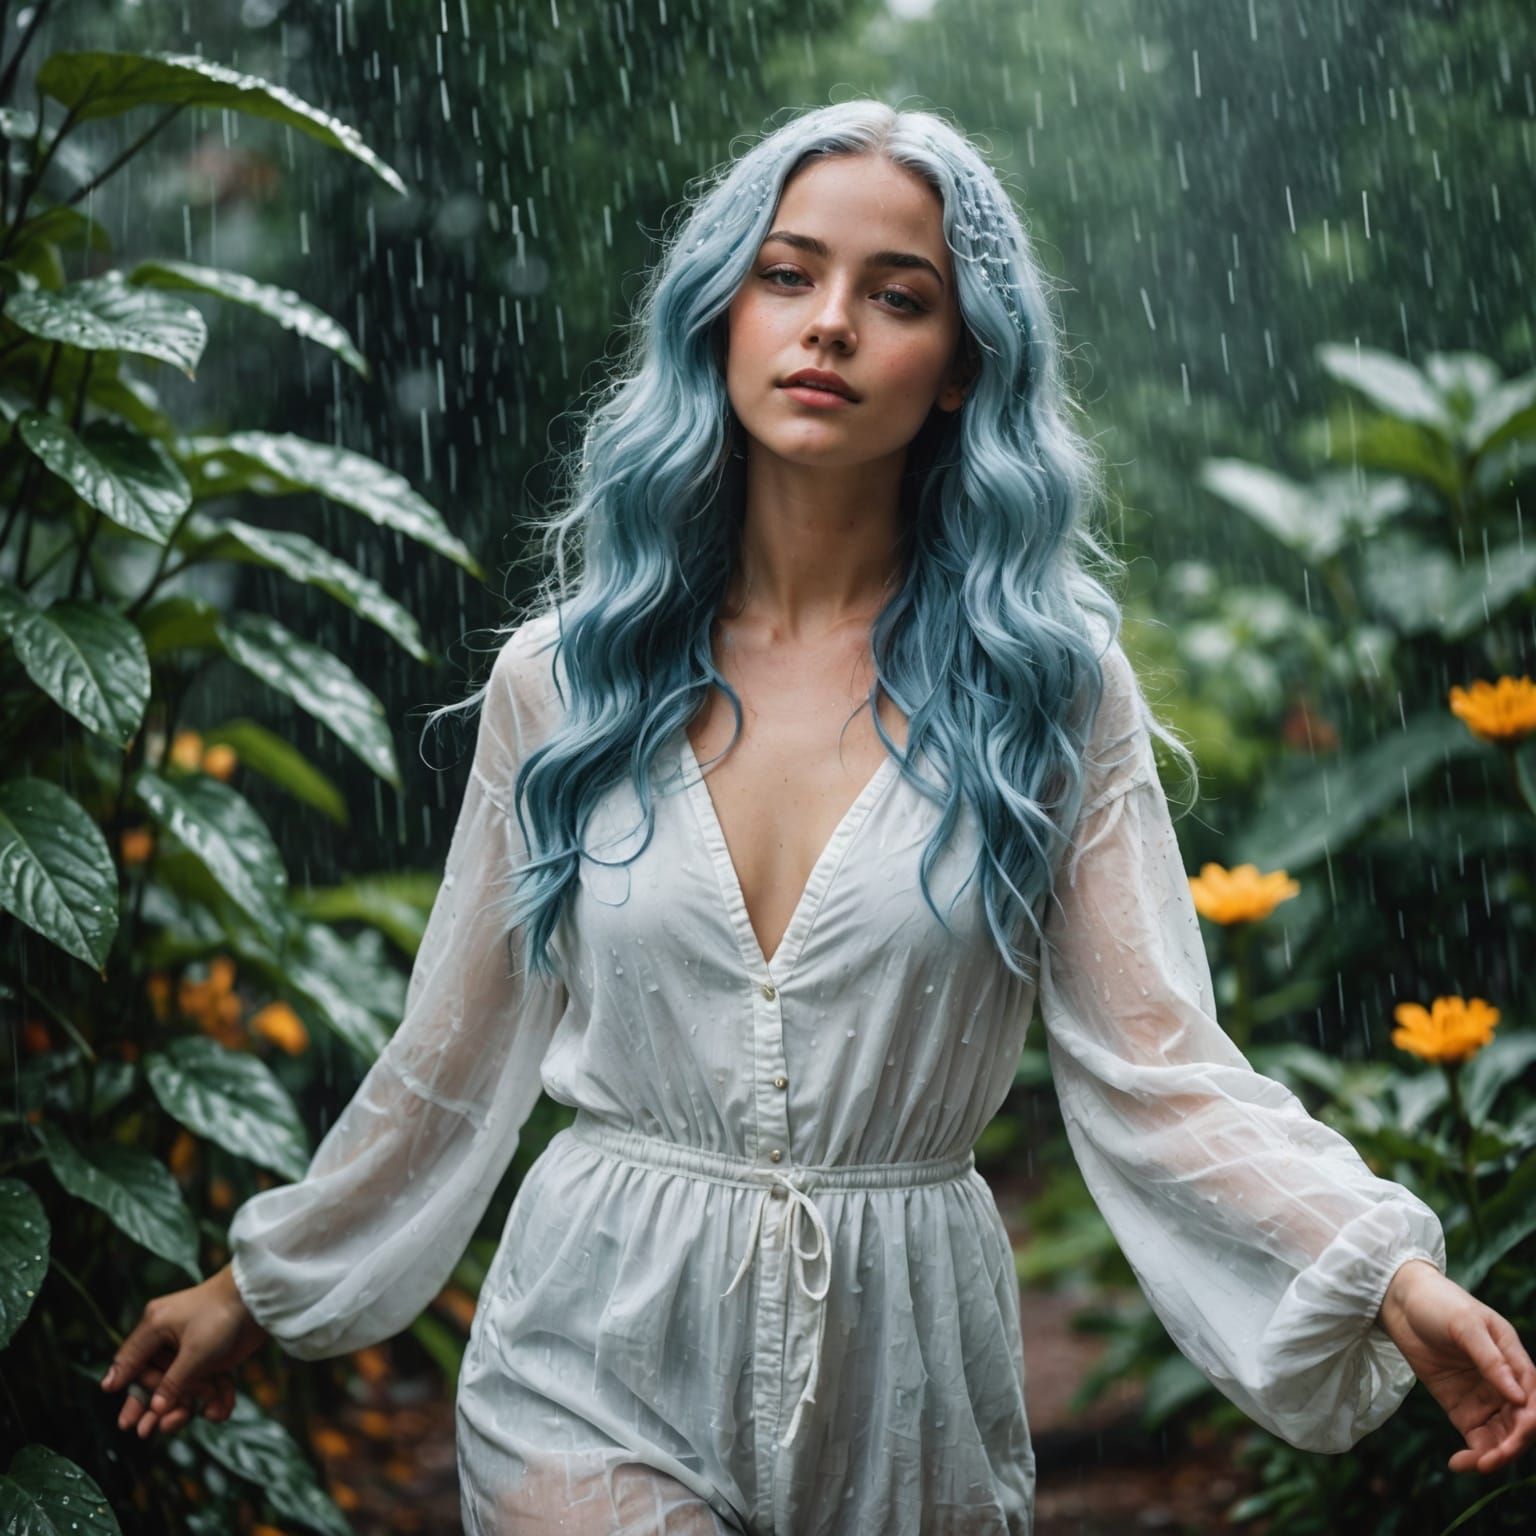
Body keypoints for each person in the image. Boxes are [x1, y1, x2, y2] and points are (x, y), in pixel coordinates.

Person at [101, 100, 1535, 1534]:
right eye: (787, 275)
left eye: (896, 294)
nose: (829, 324)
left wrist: (1381, 1270)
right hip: (595, 1342)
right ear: (720, 310)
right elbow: (453, 1053)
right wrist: (267, 1281)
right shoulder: (565, 681)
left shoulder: (1049, 698)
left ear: (964, 368)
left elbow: (1160, 1067)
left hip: (910, 1382)